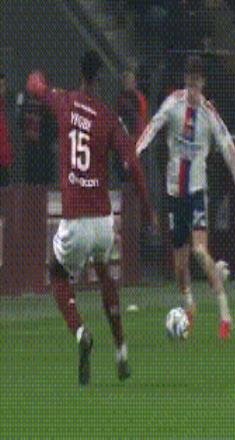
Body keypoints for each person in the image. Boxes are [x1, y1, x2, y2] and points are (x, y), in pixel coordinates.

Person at [27, 50, 157, 385]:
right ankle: (121, 351)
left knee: (57, 273)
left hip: (75, 219)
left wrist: (38, 82)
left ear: (80, 74)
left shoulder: (65, 102)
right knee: (104, 273)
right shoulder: (108, 118)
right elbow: (134, 165)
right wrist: (147, 210)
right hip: (103, 220)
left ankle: (81, 332)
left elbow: (37, 87)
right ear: (99, 79)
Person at [136, 55, 235, 339]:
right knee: (180, 265)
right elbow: (153, 126)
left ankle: (225, 315)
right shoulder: (173, 104)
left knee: (199, 251)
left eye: (197, 81)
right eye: (189, 80)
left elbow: (229, 149)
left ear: (203, 83)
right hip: (174, 192)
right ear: (185, 80)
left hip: (197, 191)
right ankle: (190, 306)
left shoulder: (209, 114)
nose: (193, 86)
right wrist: (135, 151)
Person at [16, 78, 57, 185]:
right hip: (39, 150)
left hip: (36, 149)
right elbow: (53, 126)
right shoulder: (46, 104)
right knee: (40, 180)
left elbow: (20, 122)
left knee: (35, 180)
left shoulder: (26, 102)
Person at [0, 73, 14, 187]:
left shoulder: (4, 106)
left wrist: (8, 159)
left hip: (4, 162)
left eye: (4, 85)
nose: (3, 89)